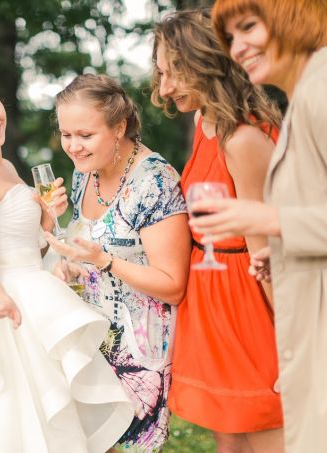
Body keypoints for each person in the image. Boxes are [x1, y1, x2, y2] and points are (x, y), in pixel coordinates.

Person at [0, 58, 134, 453]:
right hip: (6, 310)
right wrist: (7, 306)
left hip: (33, 291)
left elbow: (25, 246)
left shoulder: (2, 164)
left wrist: (48, 219)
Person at [151, 9, 285, 452]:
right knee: (229, 445)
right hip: (209, 300)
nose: (164, 88)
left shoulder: (244, 140)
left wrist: (292, 344)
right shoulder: (203, 122)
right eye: (161, 73)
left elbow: (267, 253)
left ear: (207, 63)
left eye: (174, 73)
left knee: (271, 433)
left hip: (249, 306)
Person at [44, 73, 191, 452]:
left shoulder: (154, 183)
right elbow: (89, 247)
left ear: (120, 127)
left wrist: (104, 261)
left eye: (85, 134)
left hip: (138, 353)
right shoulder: (84, 174)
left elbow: (173, 285)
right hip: (91, 341)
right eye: (66, 134)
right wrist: (70, 266)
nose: (73, 146)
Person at [204, 1, 327, 450]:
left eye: (249, 27)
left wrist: (270, 220)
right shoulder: (305, 95)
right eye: (230, 38)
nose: (238, 47)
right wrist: (288, 254)